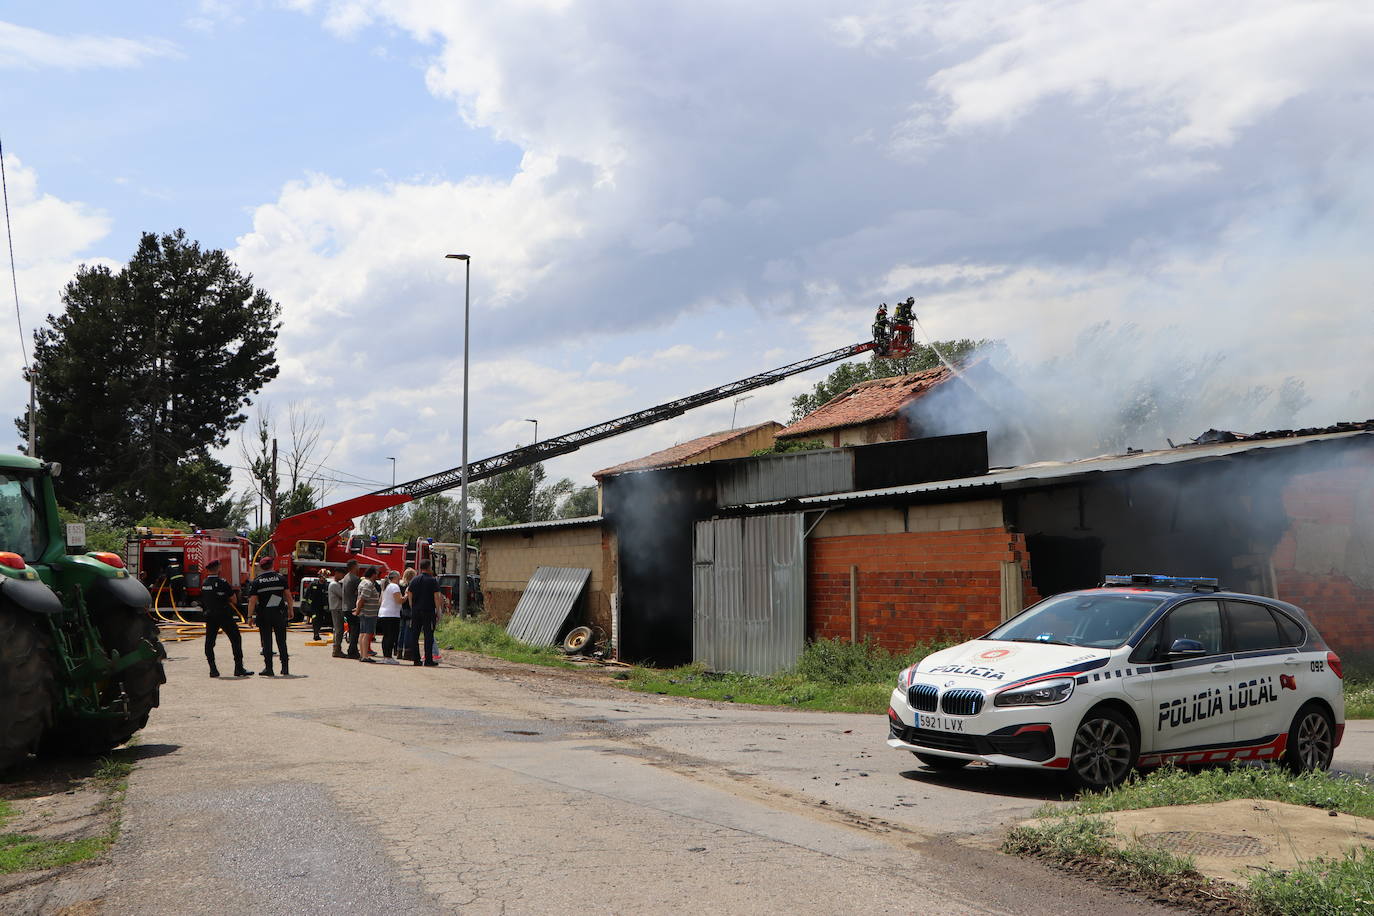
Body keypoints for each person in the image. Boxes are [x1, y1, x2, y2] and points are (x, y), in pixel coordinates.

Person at [200, 559, 252, 679]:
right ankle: (239, 668)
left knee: (209, 642)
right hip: (224, 614)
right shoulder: (222, 582)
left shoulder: (204, 583)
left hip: (210, 615)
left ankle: (213, 669)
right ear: (218, 568)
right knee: (235, 639)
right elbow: (233, 599)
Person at [246, 555, 291, 677]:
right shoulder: (280, 578)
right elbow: (288, 596)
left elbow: (252, 600)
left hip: (264, 615)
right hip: (279, 613)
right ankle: (285, 667)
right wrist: (290, 611)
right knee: (282, 641)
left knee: (266, 641)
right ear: (272, 565)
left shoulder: (257, 581)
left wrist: (249, 617)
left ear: (261, 567)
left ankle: (269, 668)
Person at [406, 560, 448, 667]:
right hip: (428, 611)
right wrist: (438, 611)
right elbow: (437, 597)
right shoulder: (432, 581)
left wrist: (412, 607)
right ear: (429, 567)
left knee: (414, 635)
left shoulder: (414, 580)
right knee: (428, 635)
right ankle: (428, 659)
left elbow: (409, 594)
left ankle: (416, 659)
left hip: (416, 611)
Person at [355, 566, 382, 663]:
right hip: (368, 613)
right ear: (373, 574)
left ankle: (363, 654)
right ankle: (365, 656)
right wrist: (357, 611)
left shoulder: (363, 582)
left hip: (364, 612)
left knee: (362, 633)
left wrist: (358, 610)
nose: (377, 576)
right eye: (377, 574)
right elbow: (362, 599)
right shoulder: (369, 584)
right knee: (367, 634)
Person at [377, 570, 404, 662]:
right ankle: (388, 657)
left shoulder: (385, 586)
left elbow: (380, 601)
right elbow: (399, 600)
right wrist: (407, 596)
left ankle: (386, 656)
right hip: (392, 614)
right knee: (391, 636)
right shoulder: (394, 586)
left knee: (386, 636)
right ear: (395, 578)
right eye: (399, 577)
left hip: (383, 613)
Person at [341, 560, 362, 659]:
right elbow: (359, 592)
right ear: (354, 567)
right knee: (355, 630)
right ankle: (352, 651)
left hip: (345, 606)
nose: (359, 567)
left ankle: (352, 650)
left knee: (352, 629)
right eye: (357, 566)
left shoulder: (346, 577)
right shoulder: (355, 579)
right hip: (352, 607)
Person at [304, 572, 329, 640]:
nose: (323, 579)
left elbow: (328, 596)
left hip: (322, 606)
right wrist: (306, 604)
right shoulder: (313, 584)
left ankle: (317, 632)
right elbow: (307, 594)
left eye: (324, 577)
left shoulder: (326, 585)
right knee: (315, 619)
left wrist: (327, 605)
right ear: (319, 577)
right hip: (314, 606)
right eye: (322, 577)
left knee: (321, 620)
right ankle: (315, 634)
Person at [328, 567, 347, 658]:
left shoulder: (337, 584)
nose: (343, 576)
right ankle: (336, 650)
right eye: (342, 574)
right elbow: (343, 596)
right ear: (337, 573)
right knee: (339, 630)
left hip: (337, 608)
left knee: (338, 630)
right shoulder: (334, 585)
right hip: (337, 609)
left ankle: (337, 649)